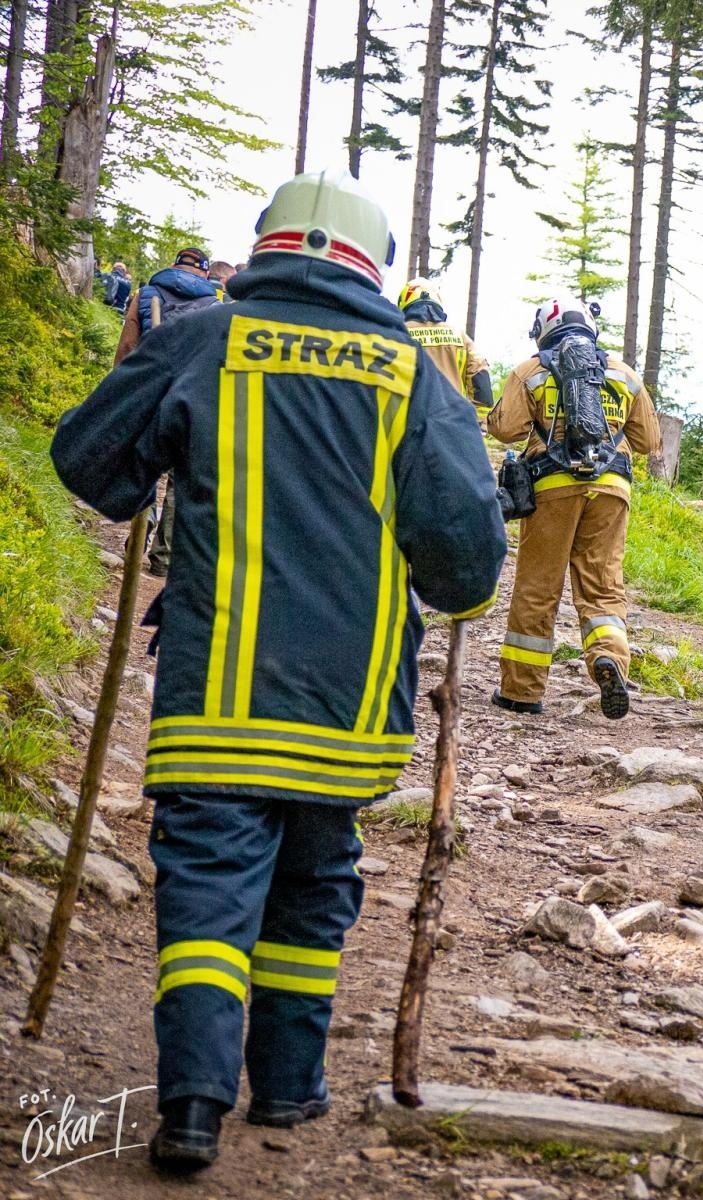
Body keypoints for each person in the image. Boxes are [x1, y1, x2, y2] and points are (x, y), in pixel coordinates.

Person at [51, 170, 506, 1173]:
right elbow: (466, 563)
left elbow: (91, 464)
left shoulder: (207, 337)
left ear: (267, 246)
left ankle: (193, 1108)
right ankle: (292, 1087)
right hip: (351, 706)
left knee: (209, 892)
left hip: (215, 696)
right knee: (314, 879)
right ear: (369, 263)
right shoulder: (409, 376)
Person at [485, 296, 660, 719]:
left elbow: (506, 429)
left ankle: (521, 692)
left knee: (537, 588)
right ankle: (609, 659)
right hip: (612, 489)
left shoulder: (531, 371)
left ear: (544, 328)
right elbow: (650, 442)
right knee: (602, 586)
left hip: (552, 487)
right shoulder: (624, 375)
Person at [117, 248, 226, 577]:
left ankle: (139, 533)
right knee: (181, 479)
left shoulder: (146, 294)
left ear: (174, 265)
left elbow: (127, 347)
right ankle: (164, 557)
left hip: (149, 391)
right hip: (194, 398)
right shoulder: (216, 308)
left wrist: (122, 389)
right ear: (205, 273)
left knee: (145, 465)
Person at [398, 277, 492, 407]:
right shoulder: (460, 336)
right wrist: (479, 423)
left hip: (408, 421)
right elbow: (481, 381)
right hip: (452, 421)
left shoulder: (398, 334)